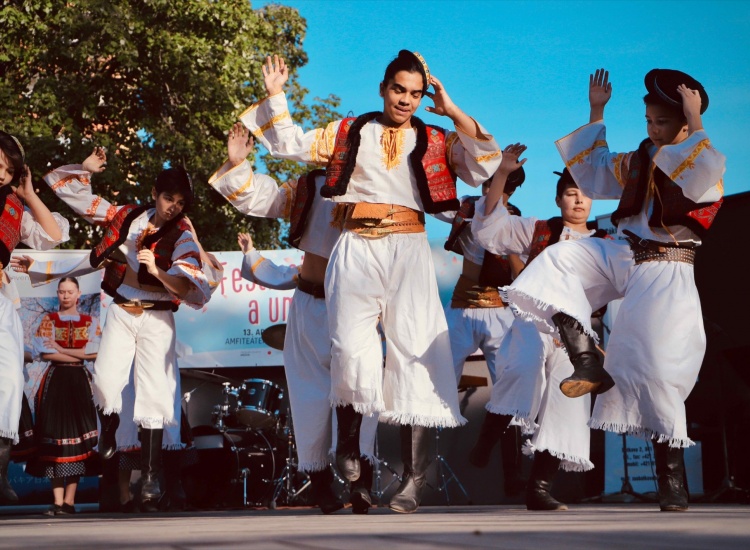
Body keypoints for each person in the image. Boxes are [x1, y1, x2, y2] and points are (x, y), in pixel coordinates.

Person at [241, 51, 502, 512]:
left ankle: (413, 479)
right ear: (383, 88)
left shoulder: (436, 138)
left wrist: (452, 111)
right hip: (356, 246)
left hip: (408, 247)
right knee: (349, 345)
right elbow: (291, 145)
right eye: (399, 90)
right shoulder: (349, 132)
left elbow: (484, 164)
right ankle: (347, 446)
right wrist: (276, 94)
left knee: (416, 352)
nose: (406, 100)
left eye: (415, 94)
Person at [502, 69, 726, 512]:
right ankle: (586, 357)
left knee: (656, 370)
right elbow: (595, 170)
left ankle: (671, 479)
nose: (653, 129)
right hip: (624, 254)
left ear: (684, 121)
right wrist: (597, 110)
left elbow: (702, 176)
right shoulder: (640, 159)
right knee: (558, 260)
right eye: (648, 121)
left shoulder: (701, 156)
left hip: (667, 266)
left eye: (662, 122)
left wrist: (696, 120)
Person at [209, 124, 379, 515]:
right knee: (308, 395)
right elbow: (264, 198)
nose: (343, 150)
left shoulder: (377, 188)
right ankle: (320, 485)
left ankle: (362, 483)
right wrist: (237, 165)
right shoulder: (307, 186)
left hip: (357, 305)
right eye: (339, 143)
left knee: (362, 387)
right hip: (309, 303)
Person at [43, 148, 214, 511]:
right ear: (155, 194)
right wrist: (85, 170)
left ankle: (150, 478)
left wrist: (158, 272)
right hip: (122, 310)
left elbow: (190, 289)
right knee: (106, 380)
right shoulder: (128, 215)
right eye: (168, 198)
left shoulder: (182, 235)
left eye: (180, 202)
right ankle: (108, 430)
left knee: (155, 394)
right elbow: (75, 196)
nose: (173, 207)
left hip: (157, 317)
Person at [471, 149, 610, 510]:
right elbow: (489, 227)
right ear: (558, 198)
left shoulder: (605, 244)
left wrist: (597, 343)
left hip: (575, 337)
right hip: (534, 323)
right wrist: (502, 175)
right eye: (571, 193)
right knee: (523, 369)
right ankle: (488, 438)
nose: (578, 200)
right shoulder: (538, 229)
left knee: (567, 401)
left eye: (585, 194)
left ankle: (539, 489)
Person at [433, 161, 527, 497]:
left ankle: (512, 475)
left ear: (512, 190)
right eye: (489, 183)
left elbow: (520, 272)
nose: (494, 191)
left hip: (500, 310)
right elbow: (435, 204)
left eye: (503, 186)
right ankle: (416, 471)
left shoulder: (514, 220)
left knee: (509, 390)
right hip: (461, 306)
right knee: (435, 379)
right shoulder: (467, 207)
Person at [0, 130, 69, 504]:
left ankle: (0, 473)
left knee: (10, 382)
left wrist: (29, 195)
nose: (1, 174)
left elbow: (53, 234)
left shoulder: (14, 204)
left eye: (8, 169)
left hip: (2, 302)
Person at [25, 277, 100, 516]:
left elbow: (94, 353)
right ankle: (58, 501)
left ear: (78, 294)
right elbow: (46, 354)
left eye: (69, 292)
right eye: (61, 292)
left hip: (80, 382)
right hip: (56, 381)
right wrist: (76, 354)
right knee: (54, 436)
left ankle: (69, 500)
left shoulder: (91, 322)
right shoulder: (49, 320)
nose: (65, 296)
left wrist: (62, 349)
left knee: (78, 436)